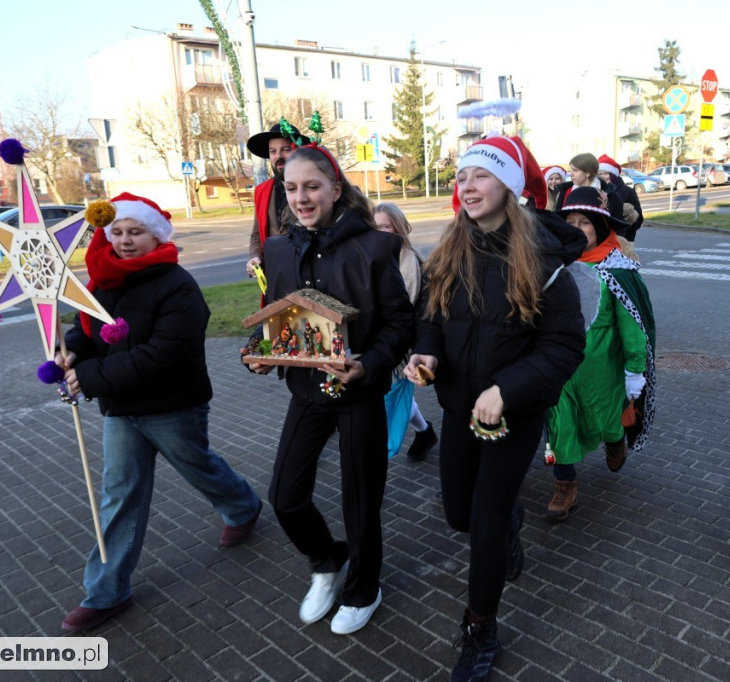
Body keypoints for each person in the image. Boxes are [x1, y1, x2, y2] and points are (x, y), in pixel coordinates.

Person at [404, 136, 585, 682]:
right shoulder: (448, 251)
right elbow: (430, 316)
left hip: (514, 415)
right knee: (460, 514)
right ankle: (510, 522)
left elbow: (564, 346)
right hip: (459, 409)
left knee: (483, 522)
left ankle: (481, 628)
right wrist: (426, 352)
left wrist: (507, 388)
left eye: (481, 175)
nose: (467, 185)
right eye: (462, 176)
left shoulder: (545, 260)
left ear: (509, 185)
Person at [56, 193, 264, 632]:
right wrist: (71, 352)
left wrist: (91, 377)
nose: (125, 240)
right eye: (117, 232)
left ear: (156, 235)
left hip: (172, 404)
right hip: (121, 408)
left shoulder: (178, 286)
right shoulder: (101, 280)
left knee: (198, 466)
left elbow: (164, 353)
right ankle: (106, 592)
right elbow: (84, 329)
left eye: (136, 232)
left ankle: (243, 506)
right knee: (120, 495)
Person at [246, 145, 414, 634]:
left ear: (335, 189)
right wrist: (261, 351)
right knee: (284, 496)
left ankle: (364, 588)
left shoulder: (375, 248)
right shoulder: (278, 249)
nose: (300, 197)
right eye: (291, 188)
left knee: (360, 502)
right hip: (307, 392)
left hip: (359, 394)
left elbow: (401, 323)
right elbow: (280, 317)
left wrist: (370, 363)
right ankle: (326, 559)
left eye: (312, 186)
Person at [543, 187, 656, 522]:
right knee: (559, 424)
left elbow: (632, 326)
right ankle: (564, 484)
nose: (577, 229)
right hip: (560, 368)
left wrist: (635, 370)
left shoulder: (618, 270)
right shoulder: (553, 265)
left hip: (603, 371)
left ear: (600, 227)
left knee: (605, 420)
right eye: (571, 223)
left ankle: (615, 439)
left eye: (585, 223)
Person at [374, 202, 438, 461]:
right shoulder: (374, 256)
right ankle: (424, 432)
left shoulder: (410, 263)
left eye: (385, 227)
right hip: (377, 342)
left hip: (399, 348)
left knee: (390, 398)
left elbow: (411, 312)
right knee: (395, 396)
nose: (379, 233)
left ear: (398, 228)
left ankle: (381, 454)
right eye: (375, 227)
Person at [245, 122, 308, 276]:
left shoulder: (313, 188)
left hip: (308, 274)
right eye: (273, 151)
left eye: (285, 149)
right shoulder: (262, 190)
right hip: (276, 278)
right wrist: (255, 256)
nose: (278, 156)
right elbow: (256, 235)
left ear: (298, 150)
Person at [552, 152, 624, 220]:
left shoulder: (610, 195)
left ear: (588, 173)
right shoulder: (566, 191)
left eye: (575, 170)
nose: (571, 174)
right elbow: (558, 219)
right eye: (571, 170)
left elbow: (618, 224)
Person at [597, 153, 643, 242]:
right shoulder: (596, 191)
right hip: (601, 240)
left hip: (622, 240)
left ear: (613, 174)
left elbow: (638, 220)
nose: (603, 177)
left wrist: (628, 221)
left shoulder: (628, 192)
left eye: (606, 173)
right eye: (600, 174)